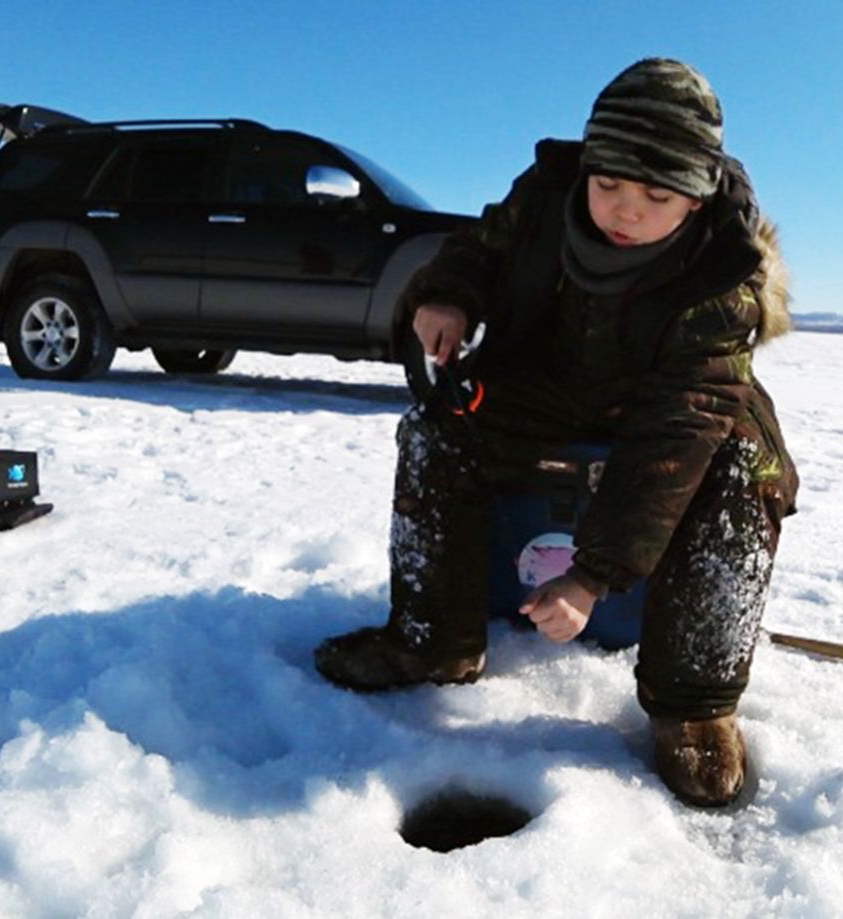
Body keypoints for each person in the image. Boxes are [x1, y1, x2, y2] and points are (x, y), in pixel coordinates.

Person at [315, 58, 798, 807]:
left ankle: (694, 705)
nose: (625, 211)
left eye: (656, 196)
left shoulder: (723, 274)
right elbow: (478, 248)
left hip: (671, 403)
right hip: (550, 378)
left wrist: (592, 574)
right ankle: (434, 643)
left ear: (697, 197)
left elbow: (678, 431)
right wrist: (448, 295)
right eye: (608, 184)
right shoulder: (546, 191)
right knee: (440, 432)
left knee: (743, 468)